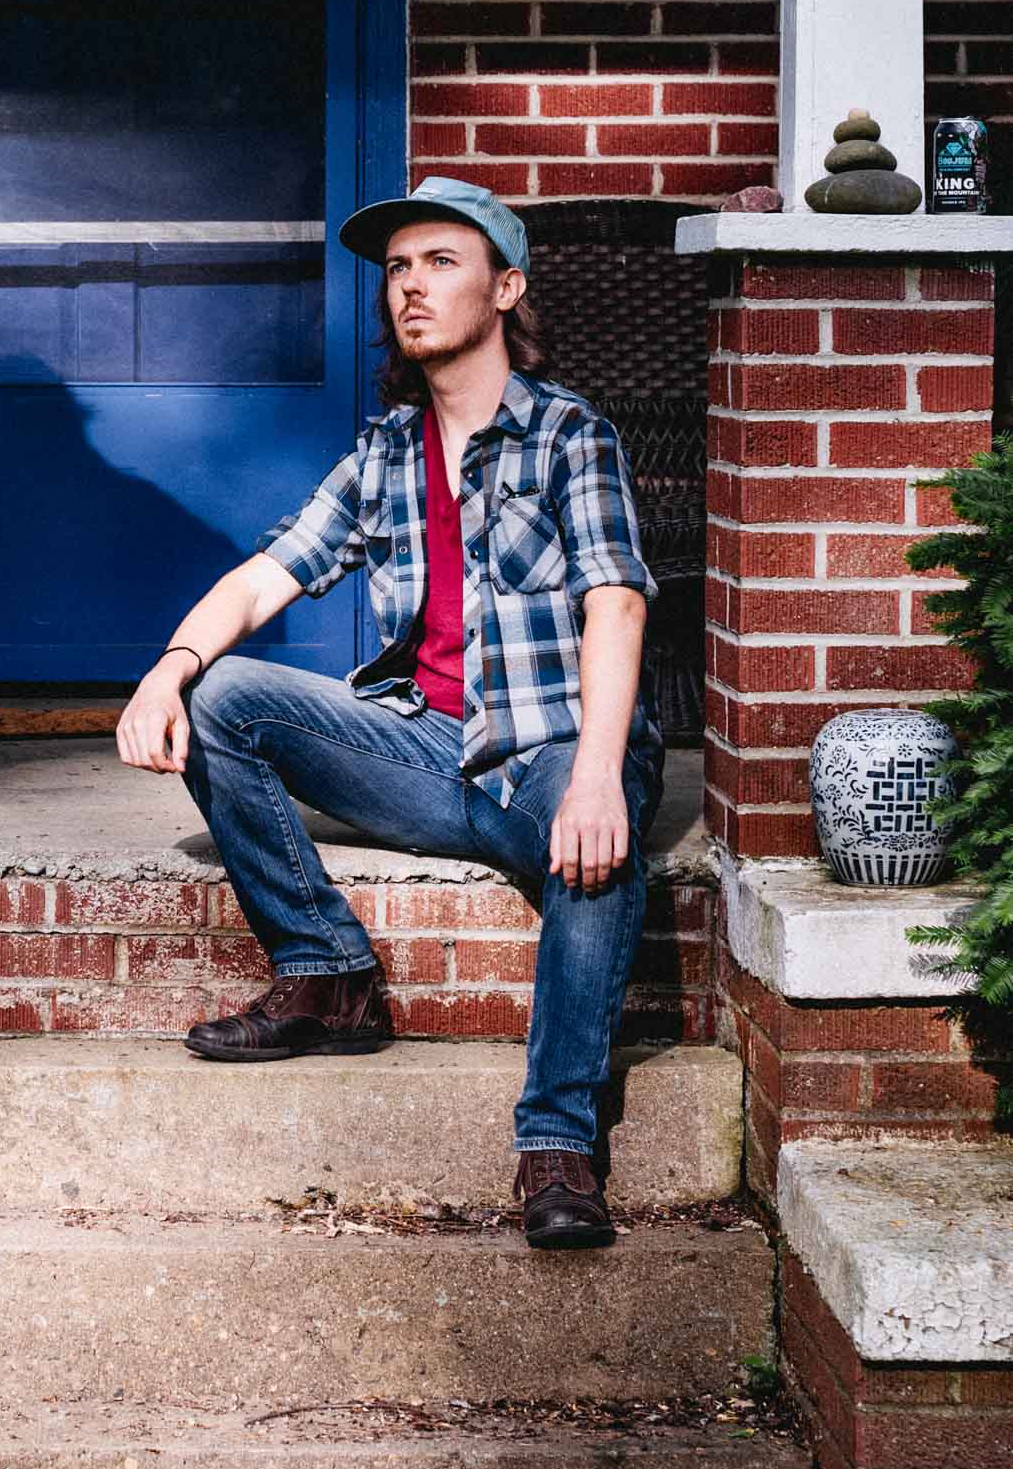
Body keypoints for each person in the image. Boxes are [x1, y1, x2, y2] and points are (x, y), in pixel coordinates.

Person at [114, 177, 662, 1252]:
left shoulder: (565, 436)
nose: (409, 286)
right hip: (431, 750)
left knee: (598, 851)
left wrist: (598, 772)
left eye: (440, 263)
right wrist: (164, 669)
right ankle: (326, 972)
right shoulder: (384, 453)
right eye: (397, 268)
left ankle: (555, 1142)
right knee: (225, 696)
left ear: (504, 289)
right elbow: (264, 577)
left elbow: (615, 597)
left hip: (549, 750)